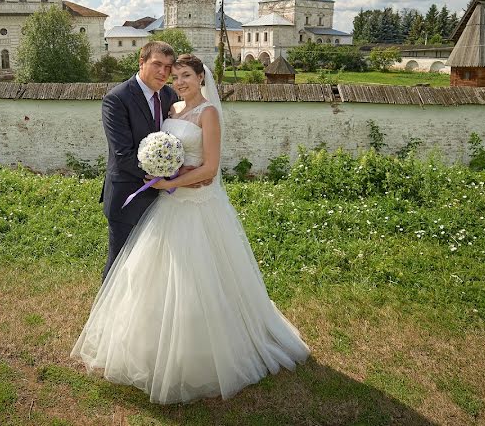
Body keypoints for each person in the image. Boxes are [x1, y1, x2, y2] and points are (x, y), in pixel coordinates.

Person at [73, 54, 310, 404]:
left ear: (202, 77)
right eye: (175, 76)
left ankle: (204, 351)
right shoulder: (172, 109)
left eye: (186, 75)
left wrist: (167, 182)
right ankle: (145, 345)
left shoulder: (209, 113)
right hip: (168, 206)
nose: (179, 81)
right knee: (151, 276)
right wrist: (161, 176)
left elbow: (211, 169)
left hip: (196, 205)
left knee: (201, 277)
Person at [98, 41, 179, 280]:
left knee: (150, 268)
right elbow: (123, 155)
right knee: (119, 264)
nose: (163, 72)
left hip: (163, 198)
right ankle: (105, 316)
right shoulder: (117, 99)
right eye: (157, 65)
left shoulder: (169, 95)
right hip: (127, 195)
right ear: (141, 62)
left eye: (168, 66)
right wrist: (163, 176)